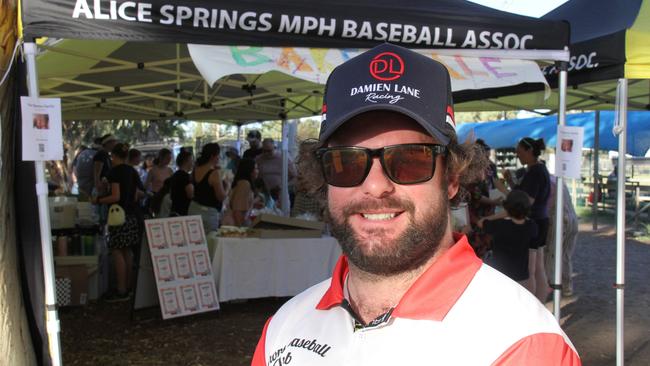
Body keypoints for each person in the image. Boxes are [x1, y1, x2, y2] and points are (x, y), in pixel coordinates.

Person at [251, 44, 580, 365]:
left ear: (452, 178)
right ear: (324, 177)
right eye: (346, 162)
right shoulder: (283, 329)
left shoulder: (522, 345)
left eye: (410, 160)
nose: (376, 186)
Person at [503, 137, 552, 302]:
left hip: (535, 222)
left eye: (519, 152)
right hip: (540, 221)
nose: (518, 156)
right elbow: (524, 195)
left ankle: (534, 305)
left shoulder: (535, 172)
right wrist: (510, 182)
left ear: (529, 151)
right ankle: (540, 303)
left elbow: (526, 201)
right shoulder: (537, 170)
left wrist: (505, 191)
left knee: (532, 268)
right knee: (538, 266)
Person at [92, 143, 142, 302]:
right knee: (127, 251)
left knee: (117, 251)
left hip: (118, 216)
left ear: (114, 156)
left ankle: (120, 289)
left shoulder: (115, 172)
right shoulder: (132, 171)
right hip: (132, 215)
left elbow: (115, 196)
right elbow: (137, 195)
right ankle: (127, 288)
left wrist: (98, 200)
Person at [479, 190, 538, 292]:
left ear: (507, 208)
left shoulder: (500, 225)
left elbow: (481, 222)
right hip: (521, 276)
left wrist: (502, 214)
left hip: (500, 275)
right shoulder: (532, 226)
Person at [545, 175, 579, 296]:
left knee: (551, 254)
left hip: (559, 220)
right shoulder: (556, 180)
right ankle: (567, 286)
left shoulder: (548, 183)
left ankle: (551, 285)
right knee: (565, 255)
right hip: (572, 217)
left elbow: (548, 206)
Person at [188, 143, 227, 233]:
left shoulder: (196, 168)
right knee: (209, 242)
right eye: (218, 155)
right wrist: (227, 186)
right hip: (208, 212)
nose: (219, 157)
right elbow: (221, 197)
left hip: (194, 208)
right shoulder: (214, 173)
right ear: (213, 156)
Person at [222, 158, 258, 227]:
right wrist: (240, 230)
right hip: (235, 225)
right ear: (249, 170)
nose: (257, 171)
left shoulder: (242, 183)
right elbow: (237, 211)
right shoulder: (244, 184)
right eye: (256, 168)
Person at [169, 150, 194, 216]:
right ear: (186, 161)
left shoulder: (176, 174)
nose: (192, 163)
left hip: (175, 209)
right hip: (184, 211)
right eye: (191, 160)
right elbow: (190, 194)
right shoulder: (185, 176)